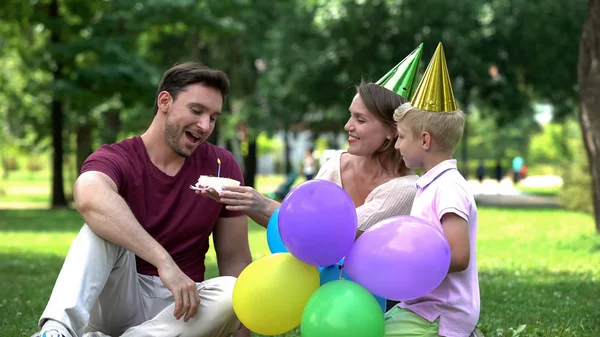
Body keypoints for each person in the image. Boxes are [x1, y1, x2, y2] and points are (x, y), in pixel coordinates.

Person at [34, 63, 252, 337]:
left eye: (213, 117)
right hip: (121, 294)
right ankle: (57, 331)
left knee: (237, 291)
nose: (205, 125)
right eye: (196, 111)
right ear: (165, 101)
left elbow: (236, 261)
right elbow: (89, 195)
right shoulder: (118, 157)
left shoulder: (223, 165)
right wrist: (163, 261)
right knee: (99, 226)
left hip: (182, 309)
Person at [199, 45, 425, 239]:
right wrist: (241, 200)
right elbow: (296, 226)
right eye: (350, 115)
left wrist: (263, 203)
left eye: (361, 119)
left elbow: (332, 233)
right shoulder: (336, 164)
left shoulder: (404, 189)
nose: (348, 126)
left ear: (391, 130)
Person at [389, 42, 480, 337]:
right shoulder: (430, 184)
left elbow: (459, 255)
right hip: (419, 306)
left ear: (425, 140)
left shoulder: (449, 188)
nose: (397, 144)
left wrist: (407, 263)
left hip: (441, 313)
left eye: (401, 137)